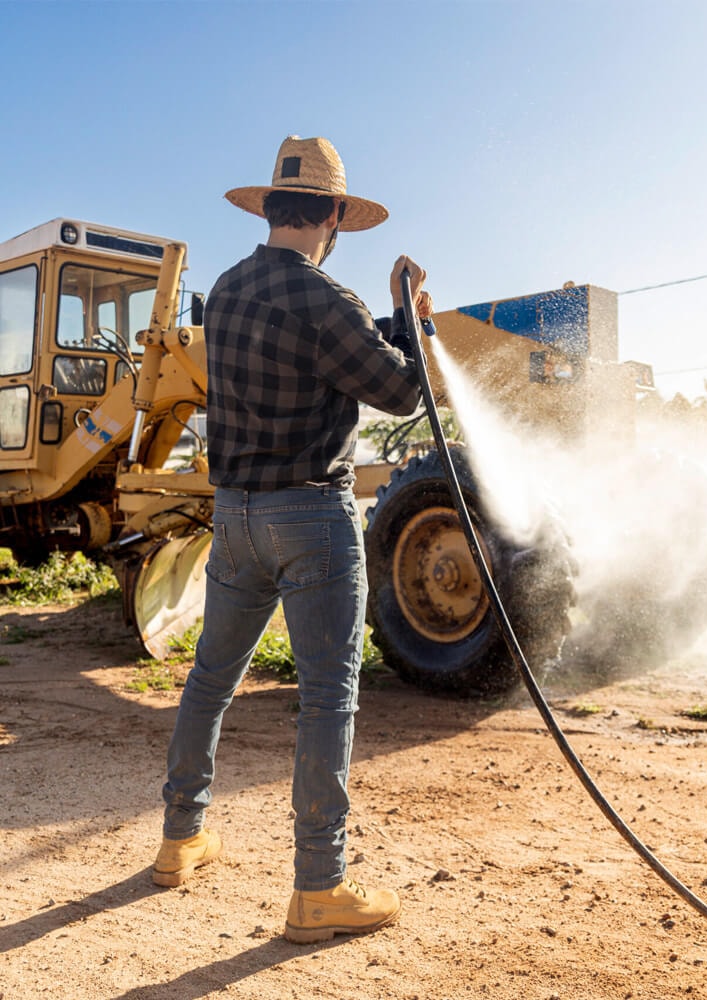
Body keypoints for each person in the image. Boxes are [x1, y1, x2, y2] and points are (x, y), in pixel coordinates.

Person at [151, 135, 428, 944]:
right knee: (326, 697)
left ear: (271, 205)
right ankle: (320, 887)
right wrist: (411, 321)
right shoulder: (328, 302)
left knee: (208, 682)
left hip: (234, 514)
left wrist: (375, 319)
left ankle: (179, 841)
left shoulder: (228, 291)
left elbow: (306, 341)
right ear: (335, 215)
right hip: (310, 519)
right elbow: (400, 389)